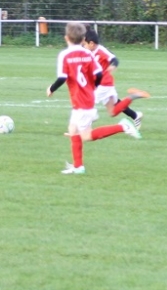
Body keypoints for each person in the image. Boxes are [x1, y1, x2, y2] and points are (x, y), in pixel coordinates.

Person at [48, 21, 140, 175]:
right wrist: (92, 87)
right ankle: (78, 166)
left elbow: (62, 77)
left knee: (86, 135)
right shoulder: (88, 54)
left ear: (66, 38)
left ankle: (122, 127)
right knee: (73, 129)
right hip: (86, 98)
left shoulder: (65, 54)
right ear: (83, 38)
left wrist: (51, 89)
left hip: (81, 101)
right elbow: (98, 74)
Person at [84, 28, 149, 128]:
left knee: (86, 103)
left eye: (85, 44)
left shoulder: (101, 50)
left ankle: (82, 129)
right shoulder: (88, 51)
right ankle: (135, 113)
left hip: (103, 83)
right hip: (101, 84)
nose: (84, 46)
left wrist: (113, 66)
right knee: (112, 112)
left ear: (91, 43)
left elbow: (114, 60)